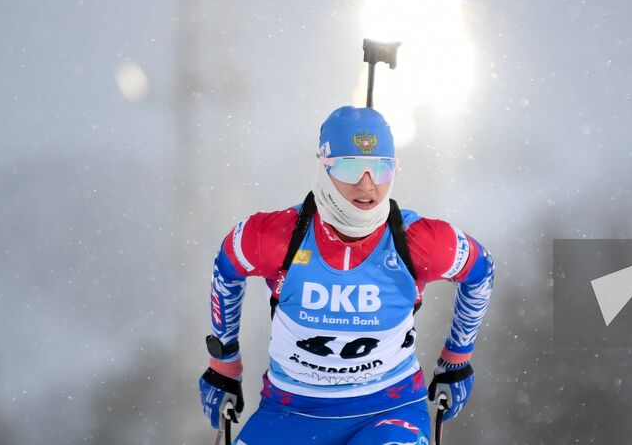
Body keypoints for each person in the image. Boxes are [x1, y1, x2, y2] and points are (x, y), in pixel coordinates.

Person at [197, 106, 495, 444]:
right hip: (290, 411)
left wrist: (457, 360)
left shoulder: (419, 241)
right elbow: (227, 267)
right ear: (324, 167)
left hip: (388, 411)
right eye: (351, 167)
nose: (367, 185)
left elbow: (480, 272)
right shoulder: (276, 236)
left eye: (381, 169)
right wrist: (223, 364)